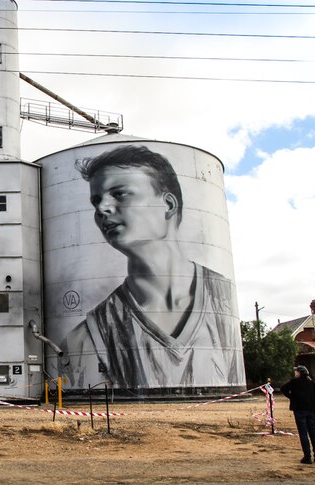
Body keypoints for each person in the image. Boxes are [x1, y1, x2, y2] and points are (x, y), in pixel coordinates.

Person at [61, 145, 244, 389]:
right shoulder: (86, 337)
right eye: (96, 201)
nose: (102, 208)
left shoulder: (222, 299)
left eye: (119, 194)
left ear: (168, 204)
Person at [280, 365, 315, 464]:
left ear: (299, 373)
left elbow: (283, 389)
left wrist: (292, 397)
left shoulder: (294, 382)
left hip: (299, 410)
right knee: (313, 433)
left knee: (303, 433)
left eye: (296, 371)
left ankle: (307, 457)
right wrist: (310, 399)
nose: (295, 373)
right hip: (311, 410)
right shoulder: (311, 382)